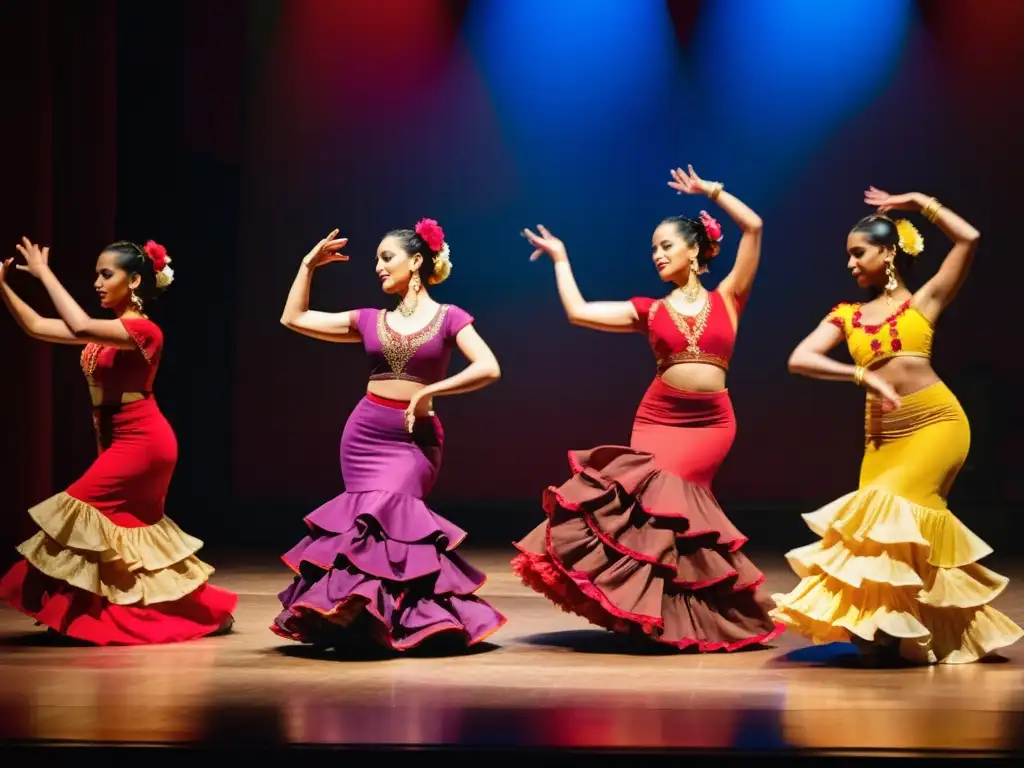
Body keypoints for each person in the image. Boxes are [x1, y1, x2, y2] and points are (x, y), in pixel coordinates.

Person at [512, 166, 783, 651]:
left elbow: (755, 227)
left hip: (711, 424)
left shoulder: (729, 296)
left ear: (694, 250)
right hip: (659, 418)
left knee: (683, 515)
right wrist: (561, 260)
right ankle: (651, 614)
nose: (657, 255)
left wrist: (711, 191)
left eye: (666, 246)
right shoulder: (649, 309)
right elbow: (579, 312)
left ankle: (684, 615)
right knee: (653, 509)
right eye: (653, 249)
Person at [771, 188, 1023, 664]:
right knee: (881, 534)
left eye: (858, 253)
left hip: (936, 423)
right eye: (847, 255)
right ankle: (896, 626)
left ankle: (908, 627)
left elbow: (969, 238)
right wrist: (860, 373)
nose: (849, 264)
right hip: (882, 436)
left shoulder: (924, 301)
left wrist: (917, 201)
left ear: (888, 253)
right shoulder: (846, 316)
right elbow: (798, 359)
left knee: (894, 511)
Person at [273, 218, 506, 651]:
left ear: (416, 261)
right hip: (364, 435)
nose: (378, 267)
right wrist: (308, 266)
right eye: (376, 261)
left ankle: (398, 617)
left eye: (386, 258)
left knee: (392, 520)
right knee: (364, 527)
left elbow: (488, 367)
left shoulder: (449, 317)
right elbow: (294, 318)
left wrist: (433, 390)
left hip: (414, 440)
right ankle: (362, 616)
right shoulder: (368, 319)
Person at [0, 237, 237, 644]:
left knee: (76, 509)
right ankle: (184, 612)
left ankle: (98, 613)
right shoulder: (106, 332)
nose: (97, 282)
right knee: (124, 535)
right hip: (115, 441)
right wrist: (1, 286)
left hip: (144, 444)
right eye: (96, 274)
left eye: (106, 274)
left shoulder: (145, 331)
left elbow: (77, 324)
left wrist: (44, 273)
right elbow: (38, 326)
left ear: (135, 281)